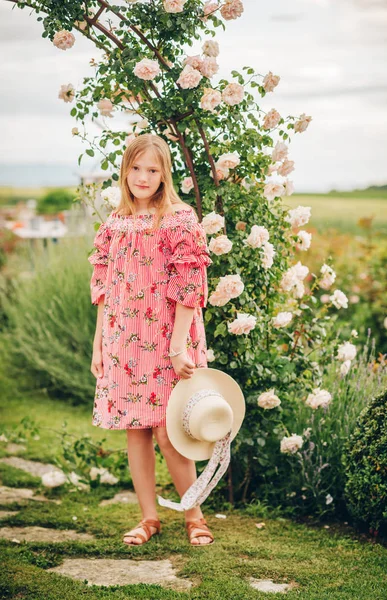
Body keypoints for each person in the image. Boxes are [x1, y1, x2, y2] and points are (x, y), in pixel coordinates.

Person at [88, 133, 215, 546]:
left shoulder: (179, 219)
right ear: (125, 171)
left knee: (168, 430)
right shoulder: (115, 223)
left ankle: (194, 516)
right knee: (135, 429)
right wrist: (97, 345)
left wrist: (179, 346)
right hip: (122, 341)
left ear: (165, 175)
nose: (143, 177)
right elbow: (104, 290)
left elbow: (189, 285)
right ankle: (148, 518)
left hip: (166, 339)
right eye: (136, 168)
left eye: (152, 170)